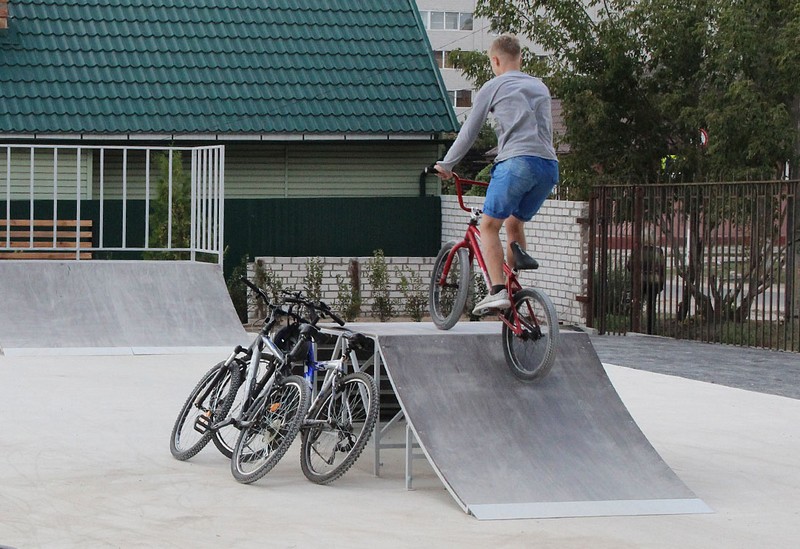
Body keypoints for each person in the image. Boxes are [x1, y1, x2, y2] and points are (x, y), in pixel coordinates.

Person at [434, 34, 559, 315]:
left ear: (495, 60)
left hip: (516, 163)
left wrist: (447, 165)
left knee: (489, 225)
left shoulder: (493, 86)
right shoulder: (539, 86)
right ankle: (515, 285)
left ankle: (498, 291)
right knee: (514, 222)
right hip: (548, 167)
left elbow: (470, 131)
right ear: (521, 58)